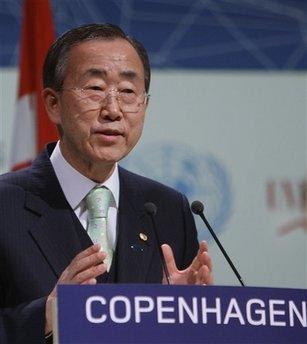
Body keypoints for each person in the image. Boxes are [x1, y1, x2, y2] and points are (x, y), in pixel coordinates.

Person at [0, 23, 213, 343]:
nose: (113, 110)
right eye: (95, 88)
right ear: (53, 104)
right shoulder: (6, 205)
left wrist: (183, 314)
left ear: (144, 105)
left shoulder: (168, 208)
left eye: (128, 92)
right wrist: (47, 315)